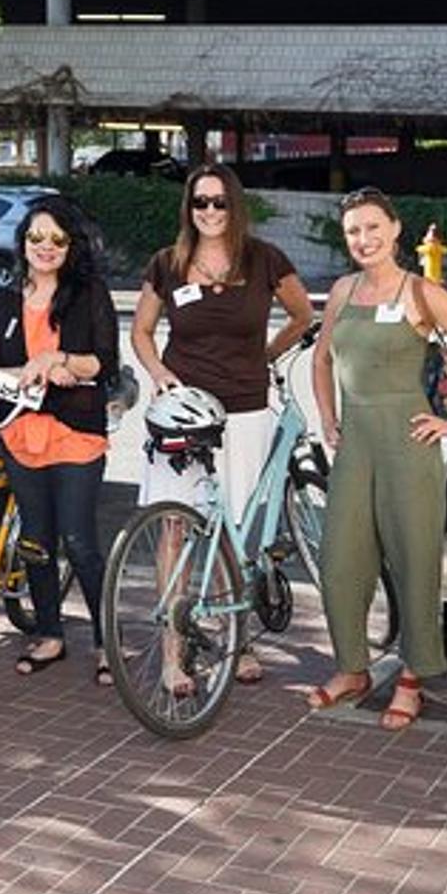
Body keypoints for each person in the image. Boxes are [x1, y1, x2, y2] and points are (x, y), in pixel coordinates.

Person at [309, 186, 447, 732]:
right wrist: (326, 417)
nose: (363, 240)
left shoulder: (422, 292)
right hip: (355, 443)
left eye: (372, 228)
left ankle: (414, 675)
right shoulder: (343, 290)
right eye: (353, 232)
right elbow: (322, 360)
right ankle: (352, 668)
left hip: (409, 444)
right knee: (339, 561)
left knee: (414, 560)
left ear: (394, 231)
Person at [130, 164, 313, 684]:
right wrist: (161, 374)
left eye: (218, 202)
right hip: (184, 410)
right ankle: (172, 652)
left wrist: (266, 356)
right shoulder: (168, 264)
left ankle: (234, 635)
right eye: (199, 202)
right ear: (188, 209)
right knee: (174, 525)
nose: (209, 211)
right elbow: (142, 331)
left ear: (235, 206)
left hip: (245, 409)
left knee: (233, 527)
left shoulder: (264, 260)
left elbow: (301, 316)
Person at [0, 196, 120, 684]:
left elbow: (104, 362)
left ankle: (108, 642)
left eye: (57, 239)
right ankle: (50, 633)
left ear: (71, 245)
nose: (45, 247)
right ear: (23, 242)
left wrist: (60, 361)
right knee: (36, 542)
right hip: (20, 433)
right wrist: (28, 370)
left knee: (79, 542)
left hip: (76, 433)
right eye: (36, 237)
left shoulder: (89, 294)